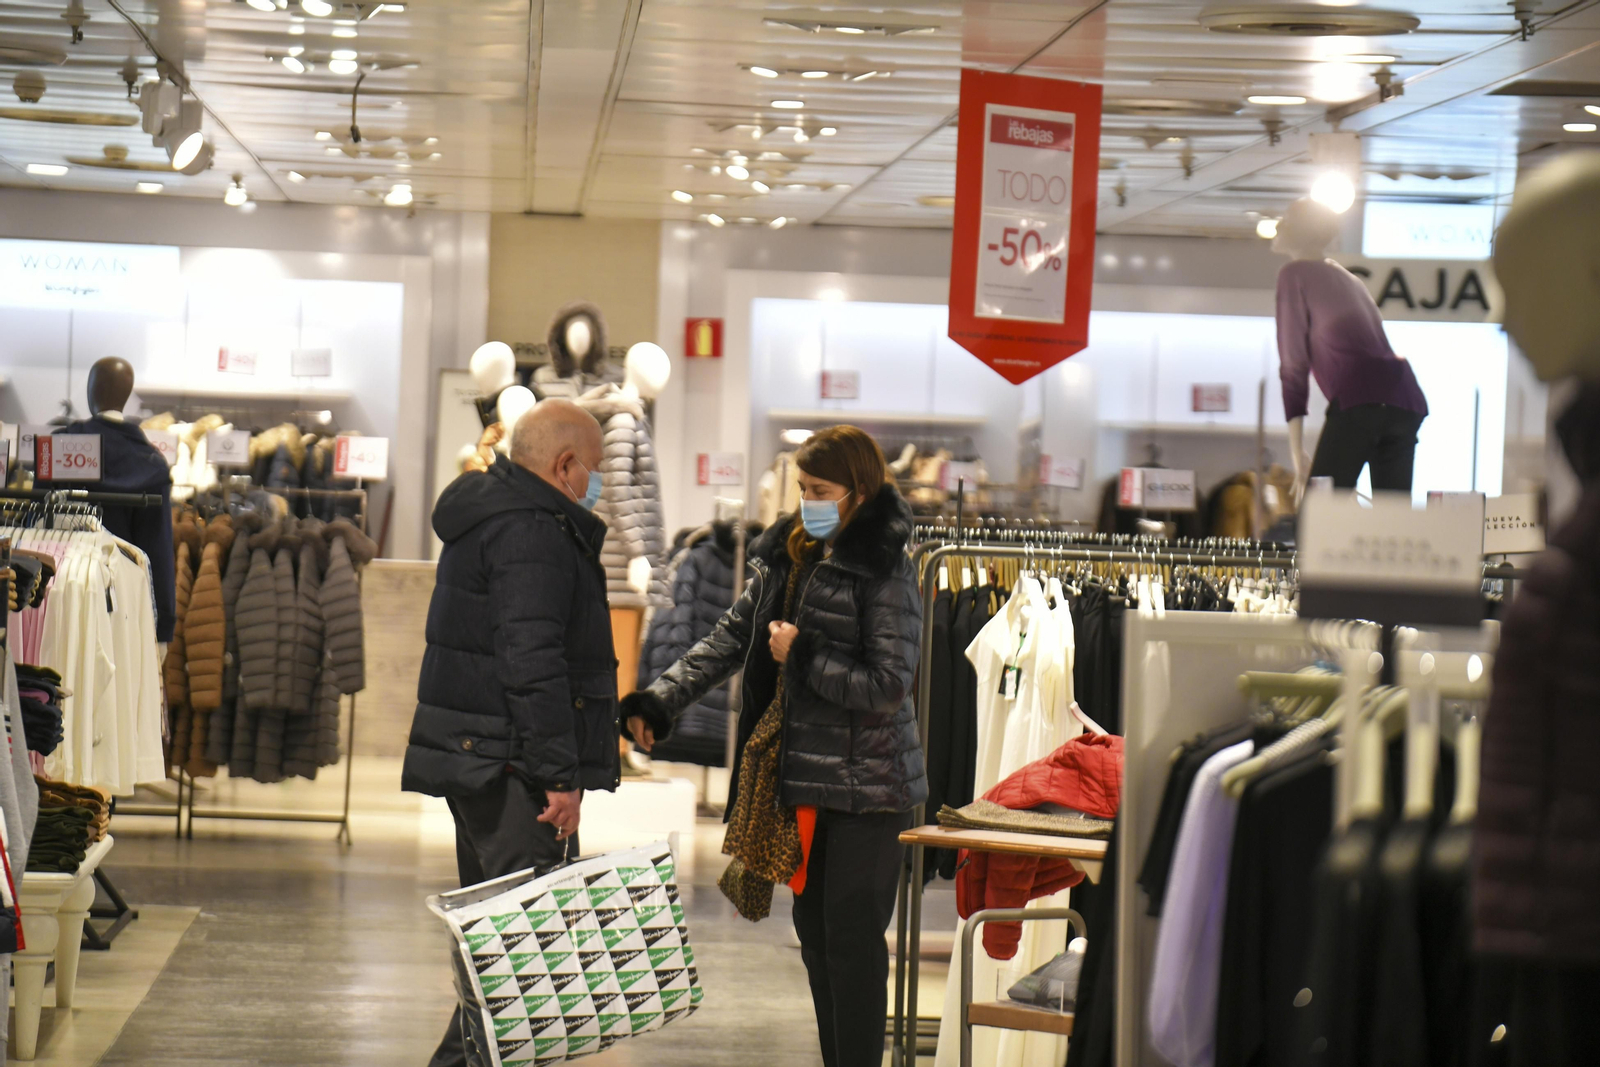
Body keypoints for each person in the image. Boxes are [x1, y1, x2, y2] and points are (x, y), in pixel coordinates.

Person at [622, 424, 928, 1067]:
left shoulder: (887, 569)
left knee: (851, 944)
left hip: (872, 789)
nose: (807, 501)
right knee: (815, 939)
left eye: (821, 490)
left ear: (859, 490)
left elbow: (888, 685)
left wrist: (804, 656)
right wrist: (661, 698)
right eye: (803, 487)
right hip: (806, 779)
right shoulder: (789, 554)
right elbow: (729, 639)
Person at [401, 398, 620, 1067]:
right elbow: (533, 660)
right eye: (595, 469)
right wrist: (560, 774)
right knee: (522, 967)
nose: (598, 483)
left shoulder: (492, 515)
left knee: (502, 954)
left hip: (483, 758)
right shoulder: (534, 530)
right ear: (564, 465)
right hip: (513, 766)